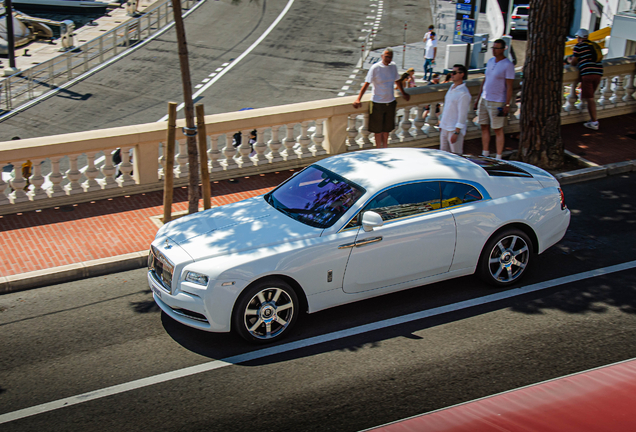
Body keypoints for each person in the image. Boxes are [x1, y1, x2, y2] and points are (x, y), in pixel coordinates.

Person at [353, 48, 410, 148]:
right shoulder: (375, 68)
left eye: (390, 57)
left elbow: (397, 81)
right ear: (382, 56)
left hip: (390, 102)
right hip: (377, 102)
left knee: (387, 129)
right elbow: (366, 84)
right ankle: (378, 148)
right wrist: (358, 99)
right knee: (377, 130)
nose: (388, 59)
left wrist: (403, 93)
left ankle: (385, 147)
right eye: (386, 56)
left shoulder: (393, 66)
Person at [474, 38, 515, 159]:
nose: (494, 51)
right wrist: (478, 98)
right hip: (485, 98)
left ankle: (498, 156)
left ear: (503, 49)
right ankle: (485, 153)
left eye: (497, 48)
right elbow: (485, 80)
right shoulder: (491, 61)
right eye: (493, 48)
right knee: (484, 126)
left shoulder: (508, 65)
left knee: (497, 129)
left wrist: (507, 104)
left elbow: (509, 86)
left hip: (497, 101)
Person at [569, 28, 604, 130]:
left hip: (588, 73)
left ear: (579, 37)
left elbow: (574, 62)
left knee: (590, 98)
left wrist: (572, 60)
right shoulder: (593, 45)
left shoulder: (579, 46)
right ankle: (592, 119)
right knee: (591, 96)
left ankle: (594, 122)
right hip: (598, 72)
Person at [439, 64, 471, 154]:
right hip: (445, 127)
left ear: (462, 74)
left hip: (453, 129)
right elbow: (446, 107)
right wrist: (442, 122)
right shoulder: (451, 88)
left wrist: (456, 132)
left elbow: (462, 115)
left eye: (454, 73)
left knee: (456, 156)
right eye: (451, 72)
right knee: (443, 155)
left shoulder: (464, 94)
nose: (452, 75)